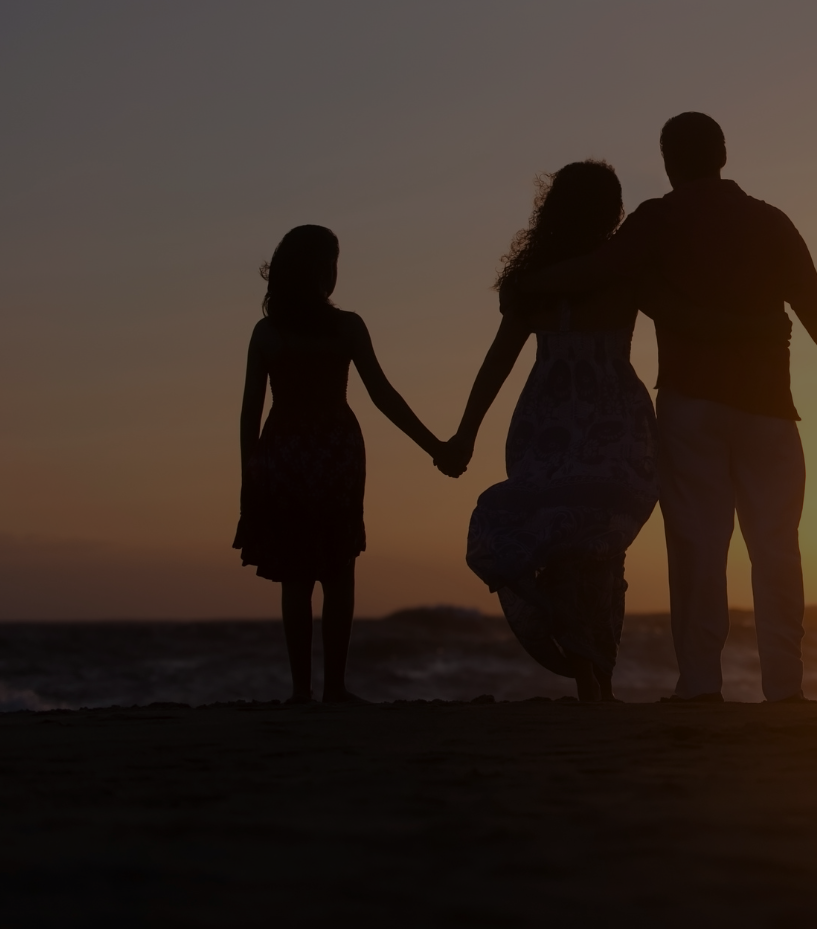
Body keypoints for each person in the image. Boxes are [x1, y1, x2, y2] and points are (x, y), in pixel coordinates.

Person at [508, 113, 817, 703]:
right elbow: (815, 311)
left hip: (692, 406)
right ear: (724, 153)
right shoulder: (770, 221)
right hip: (769, 409)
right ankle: (785, 685)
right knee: (776, 545)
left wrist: (529, 284)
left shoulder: (658, 219)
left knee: (698, 546)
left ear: (667, 161)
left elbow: (597, 269)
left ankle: (701, 684)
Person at [440, 161, 658, 703]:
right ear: (611, 211)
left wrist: (466, 433)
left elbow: (497, 363)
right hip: (613, 420)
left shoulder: (530, 283)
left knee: (562, 540)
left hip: (546, 422)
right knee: (602, 545)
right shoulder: (622, 270)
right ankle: (597, 672)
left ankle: (589, 668)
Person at [237, 225, 447, 704]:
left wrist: (249, 477)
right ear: (320, 271)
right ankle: (335, 688)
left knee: (296, 577)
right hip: (336, 454)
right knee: (338, 571)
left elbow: (250, 412)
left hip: (286, 454)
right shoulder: (347, 327)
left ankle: (300, 691)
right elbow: (383, 396)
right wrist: (434, 445)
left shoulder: (268, 333)